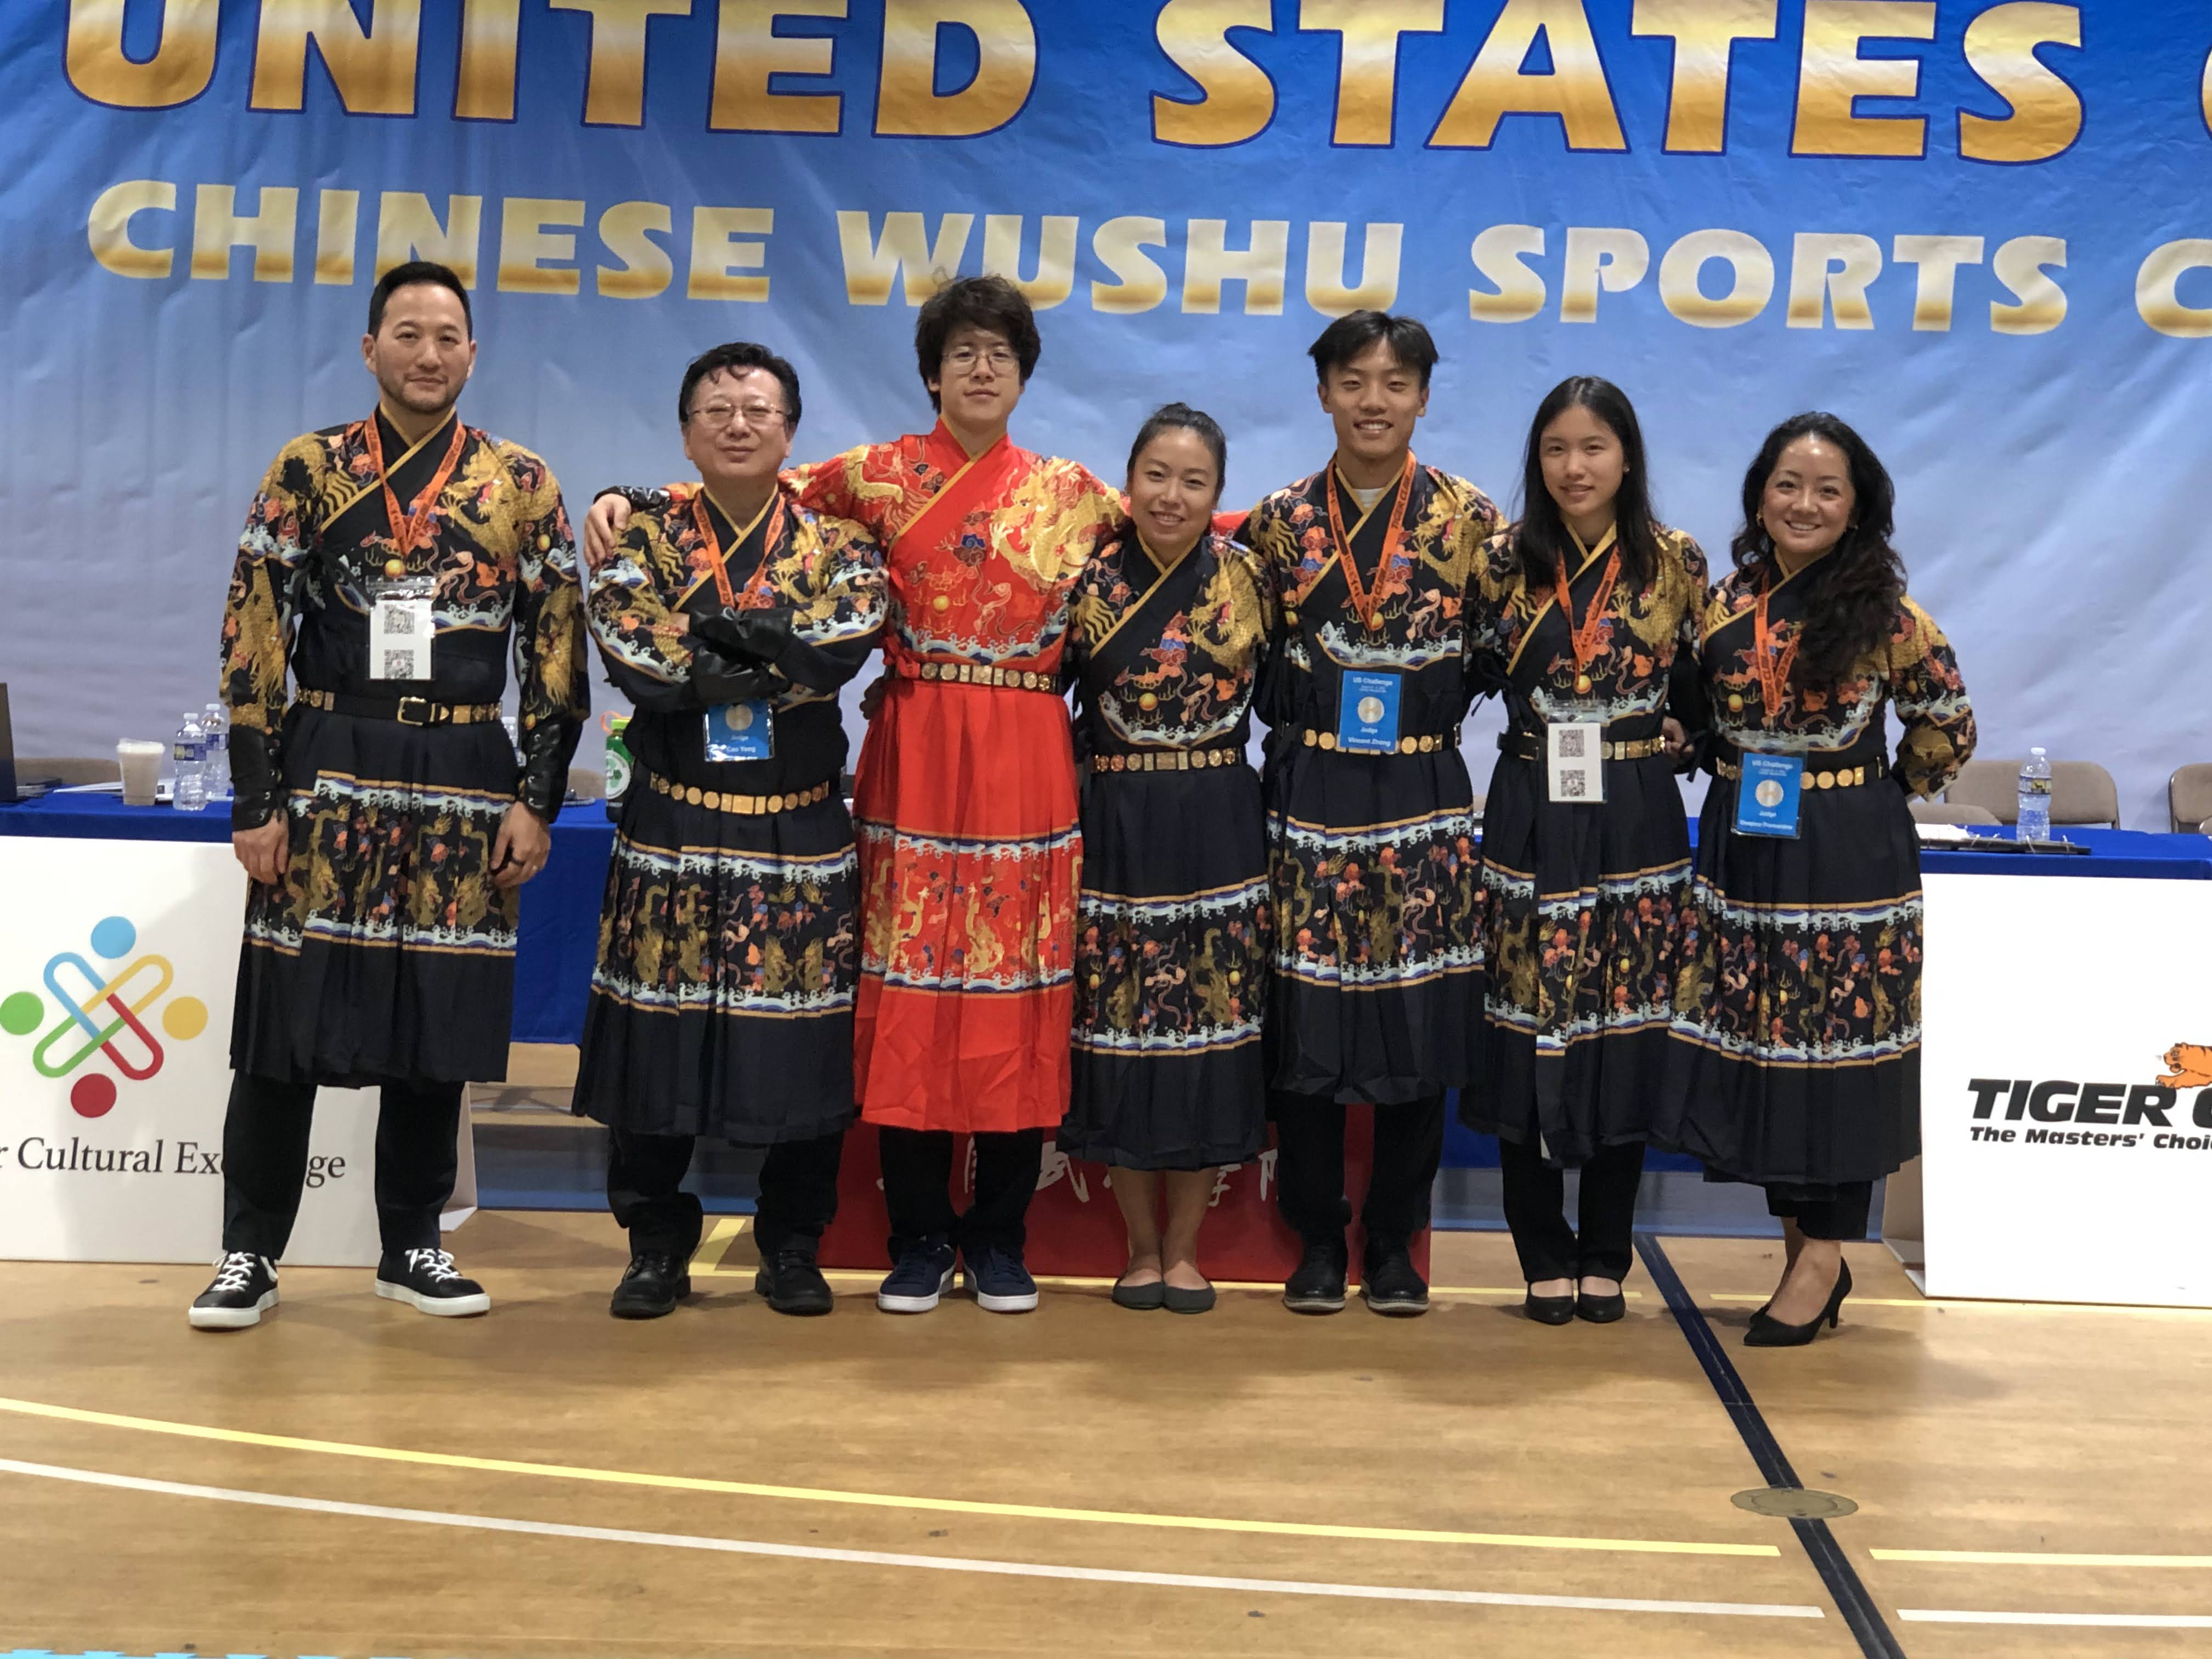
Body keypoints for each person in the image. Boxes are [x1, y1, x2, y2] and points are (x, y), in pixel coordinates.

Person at [586, 277, 1123, 1316]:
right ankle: (916, 1236)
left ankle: (998, 1236)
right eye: (961, 352)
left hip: (1025, 755)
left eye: (1000, 354)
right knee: (901, 983)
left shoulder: (1076, 493)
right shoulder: (870, 479)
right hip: (913, 748)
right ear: (931, 373)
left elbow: (1176, 519)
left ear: (1024, 374)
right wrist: (622, 495)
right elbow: (745, 484)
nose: (980, 369)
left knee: (1018, 985)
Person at [191, 261, 587, 1330]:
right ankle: (247, 1252)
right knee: (286, 1021)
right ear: (371, 349)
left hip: (465, 771)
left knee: (438, 1015)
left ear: (473, 353)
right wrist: (254, 798)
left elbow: (556, 648)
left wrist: (538, 798)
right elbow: (254, 628)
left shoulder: (521, 482)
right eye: (407, 333)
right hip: (328, 758)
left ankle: (413, 1244)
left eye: (447, 336)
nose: (427, 353)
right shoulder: (308, 469)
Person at [575, 343, 884, 1319]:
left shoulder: (840, 543)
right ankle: (654, 1245)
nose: (738, 424)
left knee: (803, 1041)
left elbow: (842, 642)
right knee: (654, 1041)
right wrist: (767, 646)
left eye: (758, 410)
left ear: (791, 434)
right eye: (717, 410)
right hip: (674, 819)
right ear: (686, 435)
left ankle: (791, 1244)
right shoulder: (641, 535)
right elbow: (635, 654)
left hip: (799, 826)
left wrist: (707, 639)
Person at [1656, 412, 1975, 1346]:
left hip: (1847, 854)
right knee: (1767, 1047)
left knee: (1843, 1047)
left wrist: (1877, 796)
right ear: (1761, 495)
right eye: (1787, 485)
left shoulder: (1889, 614)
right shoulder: (1723, 604)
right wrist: (1692, 743)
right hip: (1745, 846)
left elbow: (1948, 724)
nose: (1804, 504)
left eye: (1827, 490)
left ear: (1857, 507)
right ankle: (1803, 1245)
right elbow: (1703, 713)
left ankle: (1824, 1256)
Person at [1238, 312, 1502, 1316]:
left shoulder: (1472, 521)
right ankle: (1316, 1237)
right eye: (1353, 382)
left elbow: (1499, 651)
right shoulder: (1276, 523)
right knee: (1305, 1007)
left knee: (1418, 1013)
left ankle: (1394, 1240)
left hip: (1423, 786)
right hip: (1310, 784)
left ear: (1424, 397)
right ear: (1323, 395)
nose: (1374, 401)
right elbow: (1245, 653)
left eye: (1395, 383)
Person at [1460, 377, 1708, 1325]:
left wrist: (1686, 734)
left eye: (1594, 447)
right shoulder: (1500, 561)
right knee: (1525, 1015)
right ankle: (1540, 1251)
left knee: (1623, 1021)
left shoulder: (1675, 561)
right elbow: (1467, 671)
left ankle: (1607, 1250)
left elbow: (1704, 688)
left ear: (1627, 458)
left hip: (1636, 810)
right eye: (1557, 449)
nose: (1575, 467)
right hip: (1531, 798)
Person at [1059, 405, 1273, 1315]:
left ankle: (1184, 1250)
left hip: (1220, 819)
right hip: (1116, 819)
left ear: (1218, 494)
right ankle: (1139, 1249)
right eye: (1156, 474)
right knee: (1121, 1029)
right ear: (1129, 481)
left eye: (1194, 481)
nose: (1172, 495)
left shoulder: (1251, 576)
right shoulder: (1087, 576)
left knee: (1210, 1030)